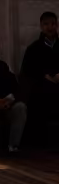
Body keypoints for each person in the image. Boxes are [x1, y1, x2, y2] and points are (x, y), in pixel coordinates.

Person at [20, 11, 59, 139]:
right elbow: (26, 71)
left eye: (53, 24)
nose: (50, 27)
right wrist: (44, 76)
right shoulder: (33, 49)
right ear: (41, 26)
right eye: (46, 24)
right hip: (40, 88)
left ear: (57, 25)